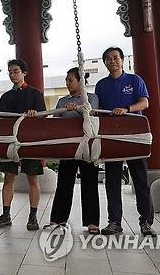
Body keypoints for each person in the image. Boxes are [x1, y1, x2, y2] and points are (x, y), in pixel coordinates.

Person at [95, 47, 156, 237]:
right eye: (108, 59)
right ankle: (114, 221)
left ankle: (145, 222)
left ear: (122, 60)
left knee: (140, 180)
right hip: (112, 138)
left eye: (116, 58)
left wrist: (127, 109)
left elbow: (144, 103)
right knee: (112, 181)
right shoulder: (101, 85)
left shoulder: (134, 80)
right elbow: (99, 109)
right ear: (104, 62)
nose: (112, 61)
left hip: (133, 136)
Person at [0, 59, 46, 230]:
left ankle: (33, 217)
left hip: (30, 141)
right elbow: (1, 119)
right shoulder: (6, 97)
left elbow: (43, 117)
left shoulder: (36, 94)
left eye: (16, 71)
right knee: (8, 179)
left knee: (33, 179)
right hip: (10, 142)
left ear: (24, 73)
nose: (12, 74)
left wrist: (36, 114)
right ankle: (6, 215)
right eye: (10, 72)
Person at [48, 67, 100, 234]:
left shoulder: (92, 98)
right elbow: (55, 122)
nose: (67, 83)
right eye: (67, 80)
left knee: (89, 184)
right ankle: (57, 220)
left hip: (87, 148)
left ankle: (92, 223)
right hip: (68, 148)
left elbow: (92, 116)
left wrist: (77, 108)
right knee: (64, 184)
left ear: (81, 81)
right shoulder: (62, 101)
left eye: (70, 80)